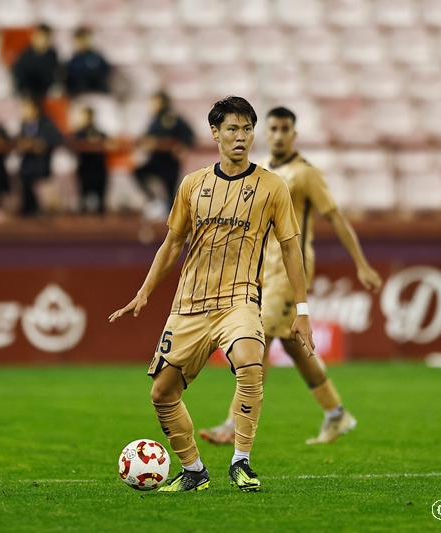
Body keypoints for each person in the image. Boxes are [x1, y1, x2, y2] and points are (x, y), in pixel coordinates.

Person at [109, 96, 314, 493]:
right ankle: (193, 471)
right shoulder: (193, 185)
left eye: (248, 129)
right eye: (233, 129)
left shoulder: (273, 187)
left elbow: (291, 247)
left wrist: (302, 309)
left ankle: (241, 461)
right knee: (162, 393)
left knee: (251, 363)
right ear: (215, 133)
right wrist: (144, 292)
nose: (241, 137)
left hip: (239, 301)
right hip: (188, 305)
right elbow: (171, 244)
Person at [199, 107, 383, 446]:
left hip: (289, 268)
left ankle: (233, 422)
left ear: (294, 134)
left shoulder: (305, 174)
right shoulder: (263, 171)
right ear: (265, 133)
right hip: (260, 267)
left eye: (286, 129)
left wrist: (361, 263)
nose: (280, 135)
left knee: (259, 338)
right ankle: (336, 414)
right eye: (274, 129)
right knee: (295, 346)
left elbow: (336, 217)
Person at [135, 91, 194, 216]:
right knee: (139, 172)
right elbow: (146, 137)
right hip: (156, 159)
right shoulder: (154, 120)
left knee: (171, 193)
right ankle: (154, 201)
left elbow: (189, 134)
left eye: (154, 102)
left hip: (170, 161)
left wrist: (182, 146)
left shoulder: (173, 119)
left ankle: (171, 220)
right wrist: (147, 142)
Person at [16, 96, 63, 215]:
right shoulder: (24, 125)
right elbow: (18, 141)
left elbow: (57, 138)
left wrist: (43, 144)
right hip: (27, 165)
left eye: (25, 108)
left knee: (45, 193)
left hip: (41, 166)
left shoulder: (45, 123)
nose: (22, 111)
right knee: (27, 193)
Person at [66, 107, 115, 214]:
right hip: (85, 167)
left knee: (100, 195)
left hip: (99, 167)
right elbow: (70, 144)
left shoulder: (98, 132)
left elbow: (110, 143)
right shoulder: (78, 133)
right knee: (84, 194)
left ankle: (101, 216)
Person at [12, 24, 59, 98]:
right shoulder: (25, 56)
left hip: (46, 94)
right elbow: (20, 79)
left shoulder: (53, 56)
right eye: (40, 37)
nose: (43, 40)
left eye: (46, 38)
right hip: (28, 95)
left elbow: (54, 78)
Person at [65, 27, 112, 97]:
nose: (80, 43)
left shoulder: (96, 57)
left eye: (83, 39)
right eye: (78, 40)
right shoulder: (73, 59)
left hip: (96, 94)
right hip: (78, 95)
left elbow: (103, 75)